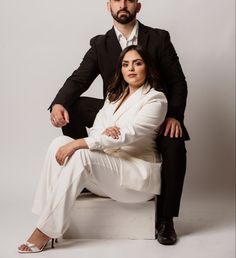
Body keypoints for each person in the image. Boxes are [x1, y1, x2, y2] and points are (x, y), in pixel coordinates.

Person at [50, 0, 189, 245]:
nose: (122, 4)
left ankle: (165, 220)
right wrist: (58, 103)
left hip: (151, 113)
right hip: (114, 112)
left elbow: (177, 82)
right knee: (73, 105)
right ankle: (88, 178)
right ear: (108, 5)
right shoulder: (100, 44)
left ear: (138, 5)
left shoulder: (158, 38)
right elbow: (80, 78)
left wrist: (174, 116)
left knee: (175, 141)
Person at [18, 45, 167, 253]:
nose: (131, 69)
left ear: (147, 67)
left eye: (137, 63)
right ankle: (45, 216)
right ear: (121, 70)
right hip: (107, 175)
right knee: (57, 145)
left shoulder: (156, 100)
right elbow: (98, 129)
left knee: (80, 155)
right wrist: (107, 133)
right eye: (126, 64)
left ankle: (45, 230)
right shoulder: (114, 97)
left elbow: (129, 134)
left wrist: (83, 142)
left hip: (135, 182)